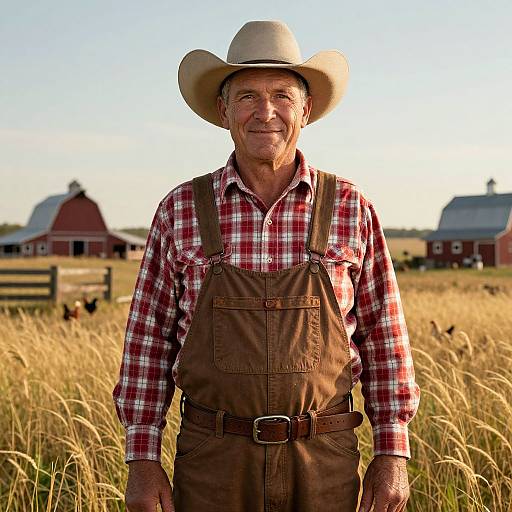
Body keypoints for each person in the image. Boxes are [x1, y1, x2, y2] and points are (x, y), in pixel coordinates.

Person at [113, 20, 420, 512]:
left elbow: (385, 338)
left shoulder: (349, 206)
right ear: (223, 109)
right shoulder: (180, 209)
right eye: (247, 96)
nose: (266, 112)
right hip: (213, 459)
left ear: (306, 108)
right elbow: (148, 345)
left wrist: (392, 452)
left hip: (325, 459)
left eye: (282, 94)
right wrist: (143, 462)